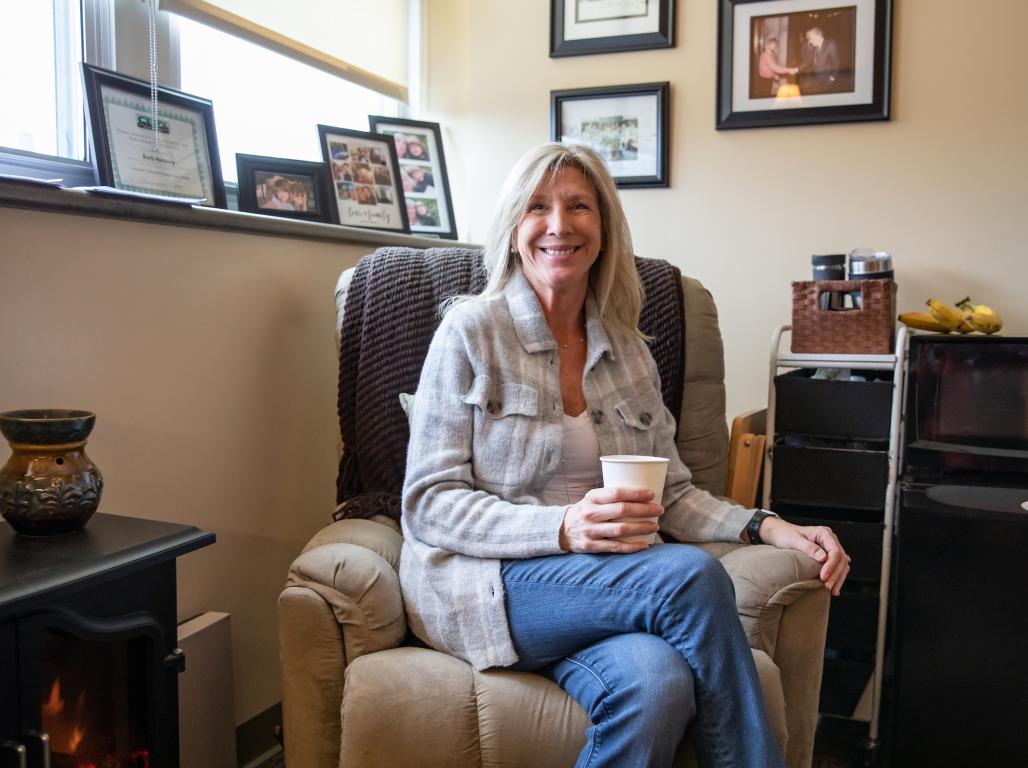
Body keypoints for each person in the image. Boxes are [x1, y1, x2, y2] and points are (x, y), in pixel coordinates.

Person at [400, 142, 850, 768]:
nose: (559, 225)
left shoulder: (629, 350)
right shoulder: (471, 332)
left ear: (605, 229)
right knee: (689, 575)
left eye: (579, 206)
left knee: (657, 686)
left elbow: (672, 497)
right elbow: (428, 504)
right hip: (491, 584)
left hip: (606, 589)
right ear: (512, 231)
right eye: (538, 208)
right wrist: (562, 527)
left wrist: (767, 526)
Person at [800, 26, 840, 93]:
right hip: (818, 81)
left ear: (818, 36)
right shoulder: (815, 49)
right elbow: (810, 62)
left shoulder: (830, 44)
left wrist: (831, 79)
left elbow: (836, 64)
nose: (810, 41)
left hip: (828, 83)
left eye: (811, 39)